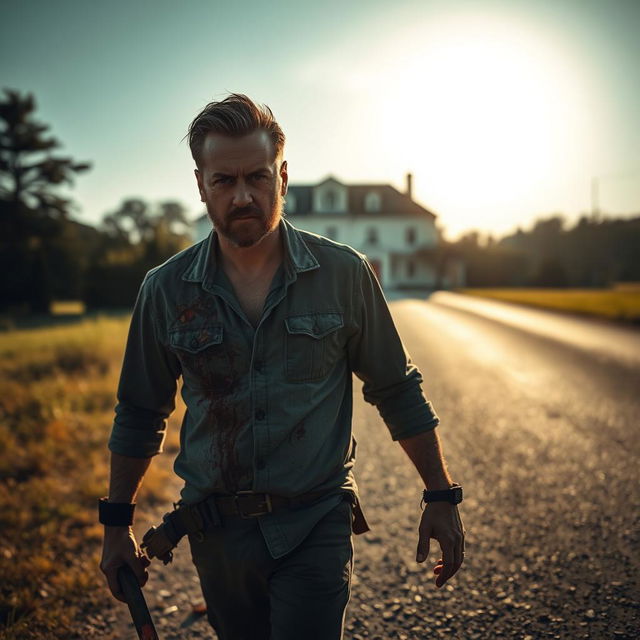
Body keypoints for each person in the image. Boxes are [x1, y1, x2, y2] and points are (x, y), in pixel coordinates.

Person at [99, 94, 465, 640]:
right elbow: (139, 412)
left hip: (315, 520)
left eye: (258, 177)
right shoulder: (165, 290)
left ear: (284, 177)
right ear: (200, 185)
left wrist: (439, 494)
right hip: (215, 531)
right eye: (224, 181)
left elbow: (396, 388)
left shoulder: (344, 274)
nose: (242, 195)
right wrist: (116, 527)